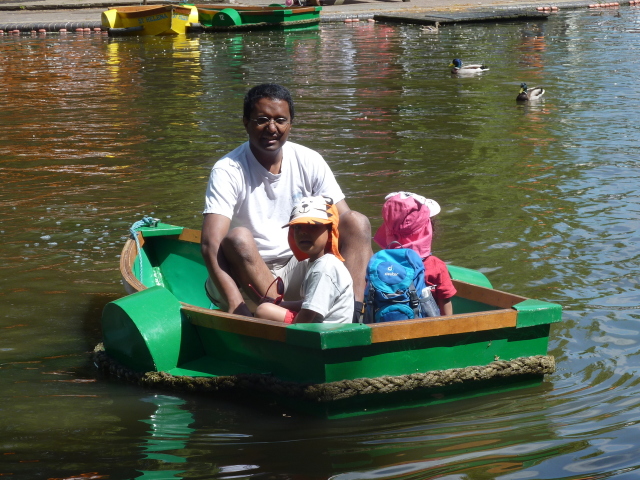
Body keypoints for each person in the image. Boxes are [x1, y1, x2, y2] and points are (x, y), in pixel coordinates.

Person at [201, 83, 371, 319]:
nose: (272, 128)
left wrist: (339, 273)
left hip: (298, 264)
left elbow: (344, 227)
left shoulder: (309, 160)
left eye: (280, 120)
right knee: (238, 238)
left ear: (290, 124)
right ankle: (285, 316)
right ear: (246, 122)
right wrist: (235, 305)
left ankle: (353, 314)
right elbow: (210, 243)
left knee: (356, 222)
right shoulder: (228, 170)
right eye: (262, 120)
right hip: (248, 274)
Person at [255, 196, 354, 324]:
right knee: (269, 307)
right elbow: (309, 303)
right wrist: (279, 304)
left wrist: (275, 313)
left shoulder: (324, 268)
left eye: (313, 226)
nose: (303, 232)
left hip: (325, 332)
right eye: (297, 227)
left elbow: (307, 315)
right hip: (317, 326)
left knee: (264, 310)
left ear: (330, 231)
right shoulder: (318, 263)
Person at [373, 191, 456, 316]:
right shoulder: (435, 265)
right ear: (427, 230)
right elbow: (445, 301)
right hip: (426, 325)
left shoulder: (378, 264)